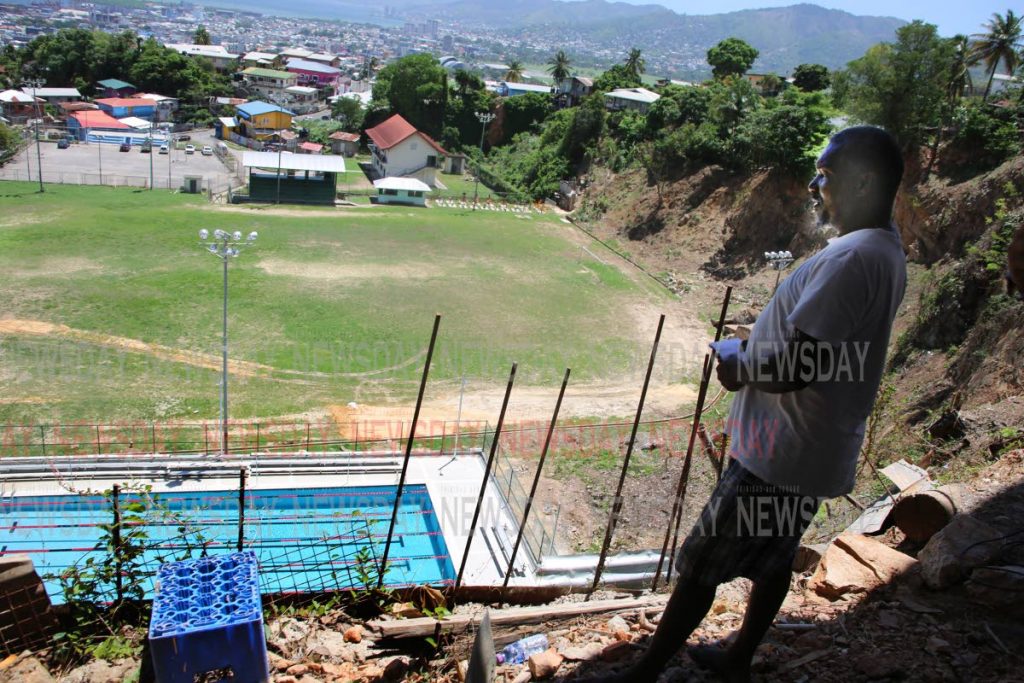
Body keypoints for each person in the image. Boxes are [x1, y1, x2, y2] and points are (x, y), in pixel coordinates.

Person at [581, 126, 908, 683]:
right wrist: (757, 342)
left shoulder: (851, 259)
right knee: (774, 556)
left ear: (864, 181)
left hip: (776, 457)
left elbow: (799, 368)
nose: (815, 185)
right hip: (808, 451)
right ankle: (738, 659)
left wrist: (738, 366)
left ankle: (646, 671)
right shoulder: (882, 250)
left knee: (700, 566)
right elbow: (821, 349)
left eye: (826, 174)